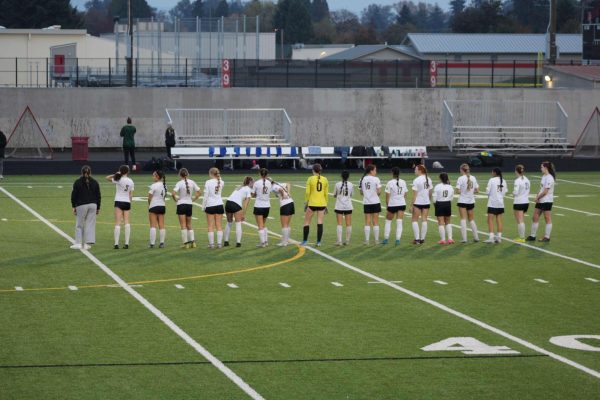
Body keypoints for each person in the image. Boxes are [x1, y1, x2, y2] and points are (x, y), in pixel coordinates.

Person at [70, 165, 101, 250]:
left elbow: (73, 195)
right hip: (93, 205)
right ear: (90, 172)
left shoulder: (77, 182)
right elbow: (98, 196)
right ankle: (87, 244)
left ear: (81, 172)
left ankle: (78, 243)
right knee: (90, 224)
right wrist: (98, 207)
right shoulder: (95, 182)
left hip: (81, 205)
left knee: (79, 224)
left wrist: (73, 206)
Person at [172, 168, 201, 249]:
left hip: (181, 204)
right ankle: (193, 242)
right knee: (189, 224)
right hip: (189, 204)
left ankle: (186, 244)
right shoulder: (192, 182)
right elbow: (199, 192)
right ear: (188, 174)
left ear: (179, 175)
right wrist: (193, 199)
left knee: (183, 225)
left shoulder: (179, 183)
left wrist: (176, 200)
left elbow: (173, 193)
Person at [527, 161, 556, 243]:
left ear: (546, 168)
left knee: (547, 218)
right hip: (541, 200)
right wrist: (537, 196)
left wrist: (538, 198)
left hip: (546, 200)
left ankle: (547, 237)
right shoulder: (544, 176)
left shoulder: (550, 178)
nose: (540, 169)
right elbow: (541, 188)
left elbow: (546, 191)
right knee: (535, 217)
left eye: (541, 167)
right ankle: (532, 236)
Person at [106, 165, 134, 249]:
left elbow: (107, 178)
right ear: (128, 172)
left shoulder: (118, 179)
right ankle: (126, 243)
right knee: (127, 222)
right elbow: (131, 194)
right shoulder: (131, 181)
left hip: (118, 201)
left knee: (118, 223)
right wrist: (129, 201)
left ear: (120, 171)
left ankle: (116, 244)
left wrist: (115, 174)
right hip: (127, 202)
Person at [302, 163, 329, 246]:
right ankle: (318, 242)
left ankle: (305, 241)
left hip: (312, 203)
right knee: (320, 222)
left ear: (313, 170)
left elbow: (307, 192)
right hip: (322, 203)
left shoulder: (310, 179)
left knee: (306, 222)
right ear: (320, 171)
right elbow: (326, 193)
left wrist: (306, 202)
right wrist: (326, 204)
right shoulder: (325, 179)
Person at [224, 176, 254, 247]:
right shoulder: (248, 189)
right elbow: (246, 204)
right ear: (250, 182)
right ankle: (238, 243)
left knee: (229, 222)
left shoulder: (240, 187)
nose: (254, 183)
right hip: (236, 205)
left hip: (228, 203)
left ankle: (226, 241)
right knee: (238, 223)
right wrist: (243, 214)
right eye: (253, 182)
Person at [455, 163, 480, 243]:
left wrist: (462, 191)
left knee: (463, 219)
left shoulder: (461, 178)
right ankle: (476, 237)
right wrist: (471, 191)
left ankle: (464, 238)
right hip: (471, 201)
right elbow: (477, 190)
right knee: (471, 219)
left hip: (462, 201)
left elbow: (457, 191)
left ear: (462, 170)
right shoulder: (473, 177)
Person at [384, 167, 408, 245]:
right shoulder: (403, 182)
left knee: (388, 221)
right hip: (402, 203)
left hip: (392, 204)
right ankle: (398, 240)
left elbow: (387, 195)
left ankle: (386, 239)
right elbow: (405, 194)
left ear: (392, 173)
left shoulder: (390, 182)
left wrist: (387, 205)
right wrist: (402, 201)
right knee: (399, 221)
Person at [359, 164, 382, 245]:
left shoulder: (362, 179)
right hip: (375, 202)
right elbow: (379, 192)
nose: (376, 172)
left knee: (367, 222)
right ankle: (376, 240)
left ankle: (367, 241)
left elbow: (361, 192)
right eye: (375, 170)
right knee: (375, 221)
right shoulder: (376, 179)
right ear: (371, 171)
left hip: (367, 202)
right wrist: (375, 193)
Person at [203, 167, 225, 249]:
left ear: (211, 174)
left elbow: (206, 195)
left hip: (210, 205)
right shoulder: (221, 182)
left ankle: (211, 244)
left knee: (210, 226)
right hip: (219, 205)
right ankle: (219, 244)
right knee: (219, 225)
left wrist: (203, 206)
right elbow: (219, 180)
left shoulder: (208, 182)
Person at [484, 168, 508, 243]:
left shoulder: (492, 180)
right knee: (499, 220)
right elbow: (504, 192)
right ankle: (499, 238)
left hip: (492, 203)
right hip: (500, 203)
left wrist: (489, 194)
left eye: (492, 172)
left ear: (494, 173)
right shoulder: (503, 181)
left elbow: (488, 191)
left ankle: (491, 238)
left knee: (490, 220)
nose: (491, 173)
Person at [411, 164, 433, 244]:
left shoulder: (416, 180)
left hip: (418, 202)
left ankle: (417, 239)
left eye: (416, 169)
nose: (415, 171)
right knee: (424, 219)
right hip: (426, 202)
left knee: (414, 220)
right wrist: (429, 200)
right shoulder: (429, 179)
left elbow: (415, 194)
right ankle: (422, 239)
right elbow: (430, 192)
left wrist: (411, 205)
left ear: (420, 170)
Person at [251, 168, 273, 247]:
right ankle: (265, 241)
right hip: (267, 206)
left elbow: (252, 195)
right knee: (263, 224)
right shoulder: (269, 183)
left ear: (259, 174)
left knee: (260, 225)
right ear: (267, 174)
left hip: (259, 205)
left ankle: (262, 243)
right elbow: (268, 192)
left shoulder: (256, 183)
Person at [272, 179, 295, 246]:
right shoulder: (279, 184)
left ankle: (284, 242)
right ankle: (287, 240)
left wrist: (283, 195)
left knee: (284, 225)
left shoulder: (273, 187)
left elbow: (281, 190)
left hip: (285, 204)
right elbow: (288, 183)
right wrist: (288, 192)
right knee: (287, 224)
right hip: (291, 202)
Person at [433, 172, 454, 245]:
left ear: (440, 178)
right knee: (448, 221)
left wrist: (435, 204)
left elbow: (434, 198)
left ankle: (443, 240)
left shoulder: (438, 186)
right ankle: (450, 239)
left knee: (441, 222)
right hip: (448, 203)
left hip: (439, 204)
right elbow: (452, 197)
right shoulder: (450, 186)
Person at [148, 170, 167, 248]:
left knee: (153, 226)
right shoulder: (165, 185)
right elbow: (164, 196)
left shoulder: (154, 185)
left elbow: (149, 197)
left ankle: (152, 244)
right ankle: (162, 243)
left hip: (154, 205)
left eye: (154, 176)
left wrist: (150, 205)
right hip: (162, 206)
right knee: (162, 225)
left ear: (157, 177)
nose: (152, 177)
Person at [333, 170, 353, 246]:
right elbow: (351, 195)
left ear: (341, 176)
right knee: (348, 224)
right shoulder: (351, 184)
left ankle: (339, 241)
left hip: (339, 206)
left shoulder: (337, 184)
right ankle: (347, 241)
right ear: (348, 177)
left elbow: (334, 195)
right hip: (348, 206)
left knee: (339, 224)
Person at [512, 164, 531, 243]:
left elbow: (515, 192)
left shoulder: (517, 181)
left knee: (520, 220)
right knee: (521, 220)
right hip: (526, 201)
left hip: (519, 202)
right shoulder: (526, 179)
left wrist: (513, 193)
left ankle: (522, 237)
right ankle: (521, 236)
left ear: (516, 171)